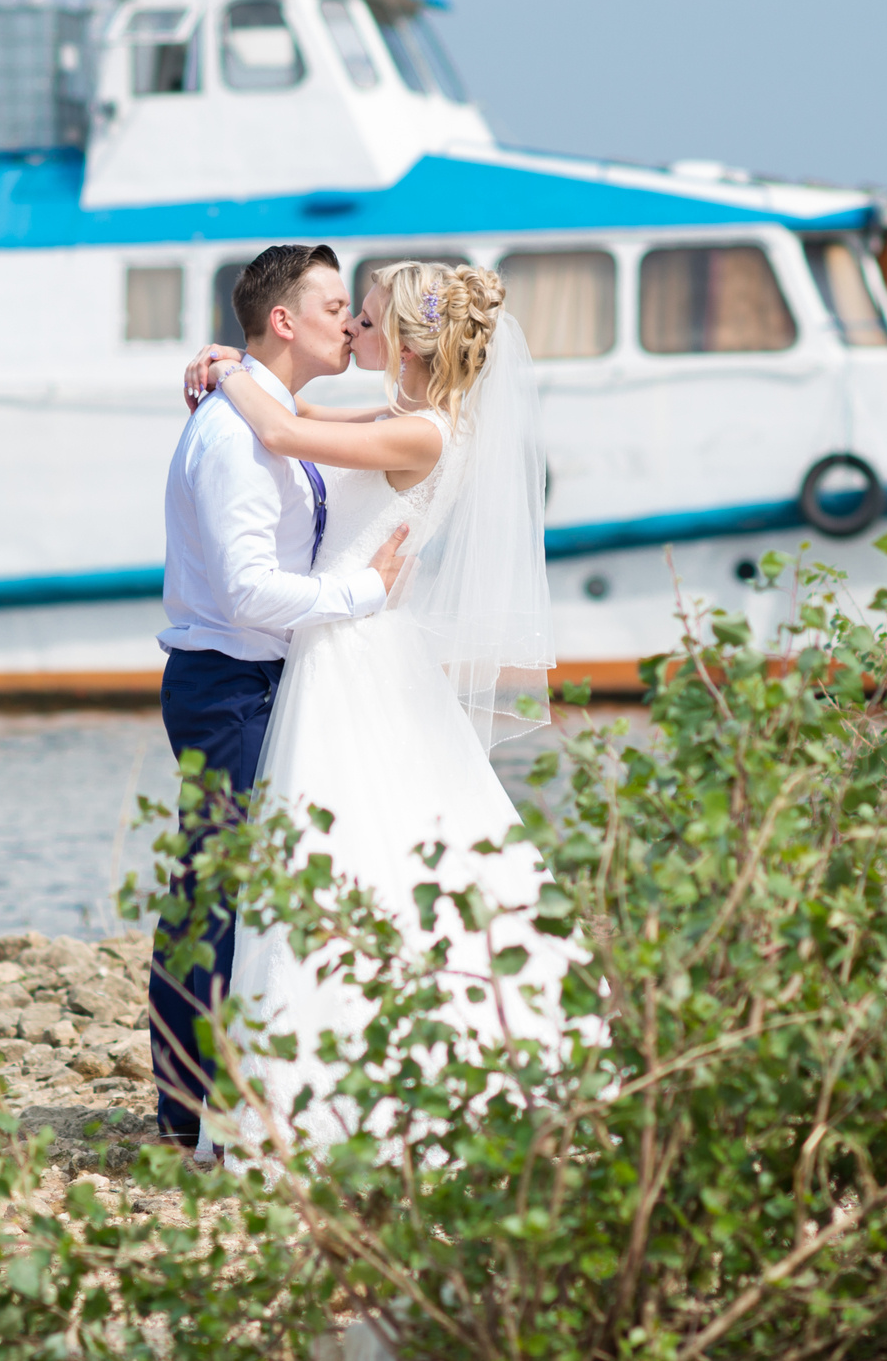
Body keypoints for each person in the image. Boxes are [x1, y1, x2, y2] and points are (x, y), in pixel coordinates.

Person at [180, 260, 566, 1154]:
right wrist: (231, 360)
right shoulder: (410, 418)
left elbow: (280, 428)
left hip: (351, 651)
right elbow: (302, 413)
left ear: (403, 337)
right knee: (356, 853)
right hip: (347, 646)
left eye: (368, 314)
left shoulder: (425, 435)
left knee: (338, 855)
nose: (354, 325)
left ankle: (334, 1095)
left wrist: (233, 370)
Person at [150, 242, 411, 1149]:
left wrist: (231, 369)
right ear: (285, 321)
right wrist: (364, 594)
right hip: (228, 681)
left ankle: (242, 1083)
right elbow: (249, 593)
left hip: (268, 678)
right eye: (336, 306)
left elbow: (311, 419)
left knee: (248, 885)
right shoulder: (233, 437)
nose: (351, 321)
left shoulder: (266, 413)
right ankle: (183, 1109)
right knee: (212, 889)